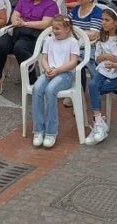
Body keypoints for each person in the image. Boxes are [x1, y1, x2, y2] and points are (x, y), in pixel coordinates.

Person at [0, 0, 58, 94]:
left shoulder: (51, 5)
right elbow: (15, 14)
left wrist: (25, 23)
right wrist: (16, 20)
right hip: (18, 31)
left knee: (20, 48)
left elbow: (45, 23)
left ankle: (31, 80)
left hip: (35, 35)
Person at [29, 15, 81, 149]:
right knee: (37, 88)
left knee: (50, 90)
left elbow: (73, 62)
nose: (55, 31)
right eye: (53, 28)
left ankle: (51, 132)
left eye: (58, 29)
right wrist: (47, 69)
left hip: (65, 74)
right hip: (50, 71)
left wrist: (57, 70)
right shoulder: (49, 41)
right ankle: (38, 130)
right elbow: (44, 59)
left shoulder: (72, 42)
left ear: (67, 29)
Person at [84, 6, 117, 145]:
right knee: (93, 84)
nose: (103, 22)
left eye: (107, 20)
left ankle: (98, 124)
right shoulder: (102, 38)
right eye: (102, 20)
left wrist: (115, 65)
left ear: (116, 22)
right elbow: (97, 58)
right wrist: (105, 56)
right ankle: (99, 120)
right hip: (104, 70)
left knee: (95, 89)